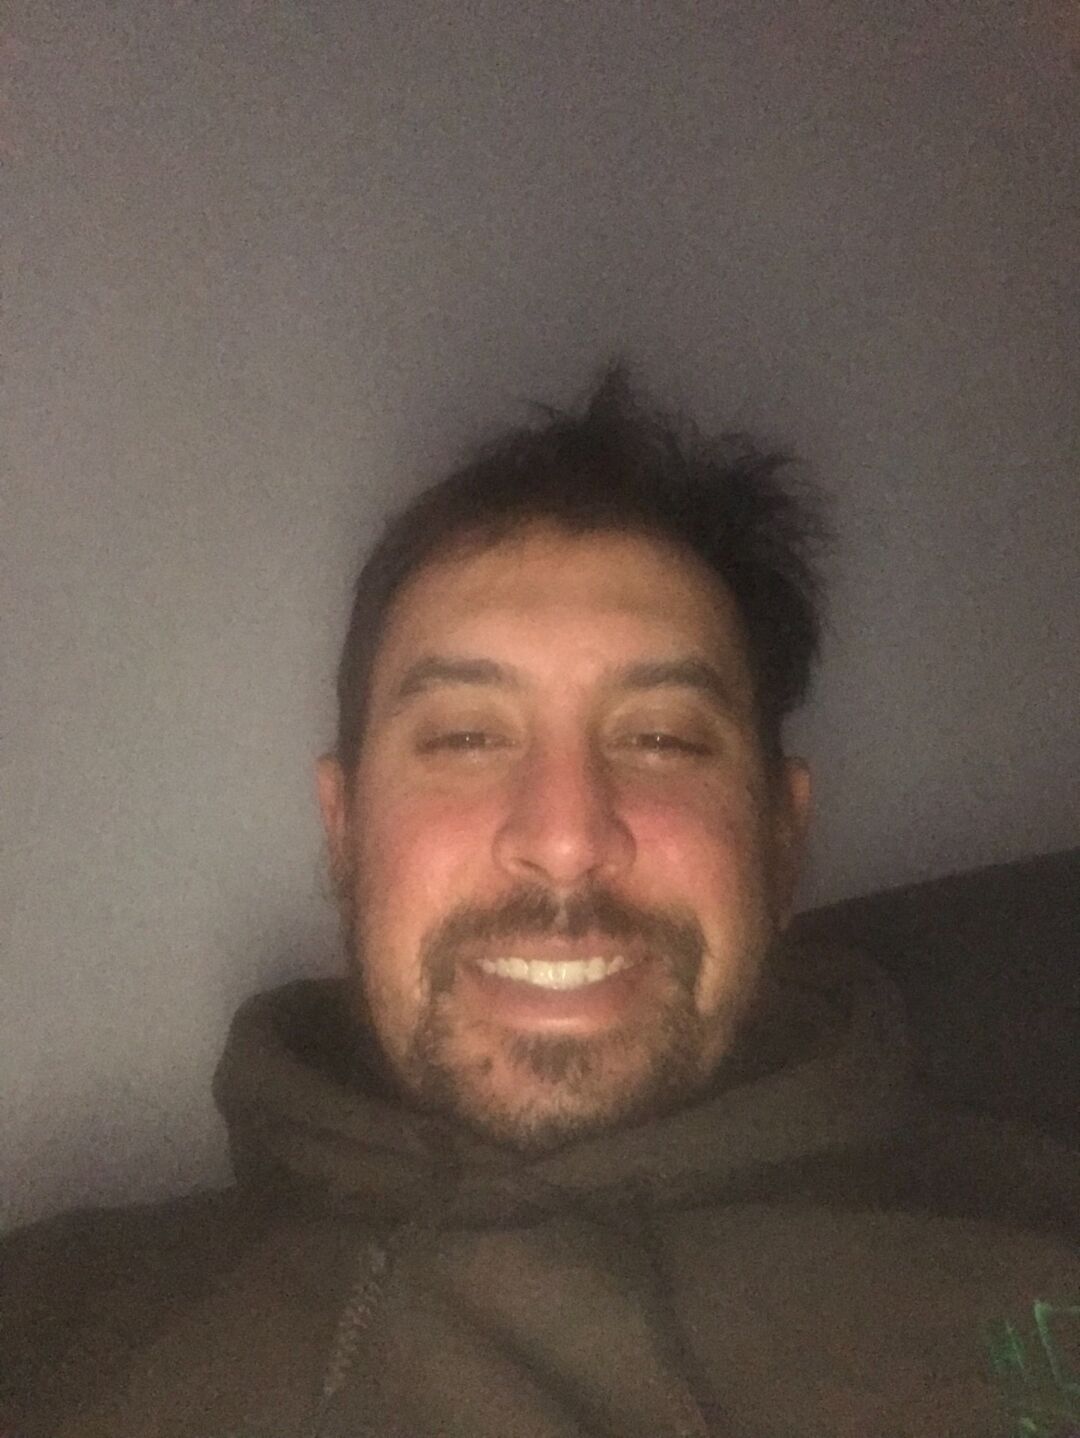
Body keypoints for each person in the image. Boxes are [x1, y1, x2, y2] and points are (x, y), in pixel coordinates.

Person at [2, 369, 1077, 1438]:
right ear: (343, 832)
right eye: (466, 737)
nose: (565, 839)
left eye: (661, 738)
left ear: (782, 840)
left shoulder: (1041, 1264)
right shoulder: (51, 1332)